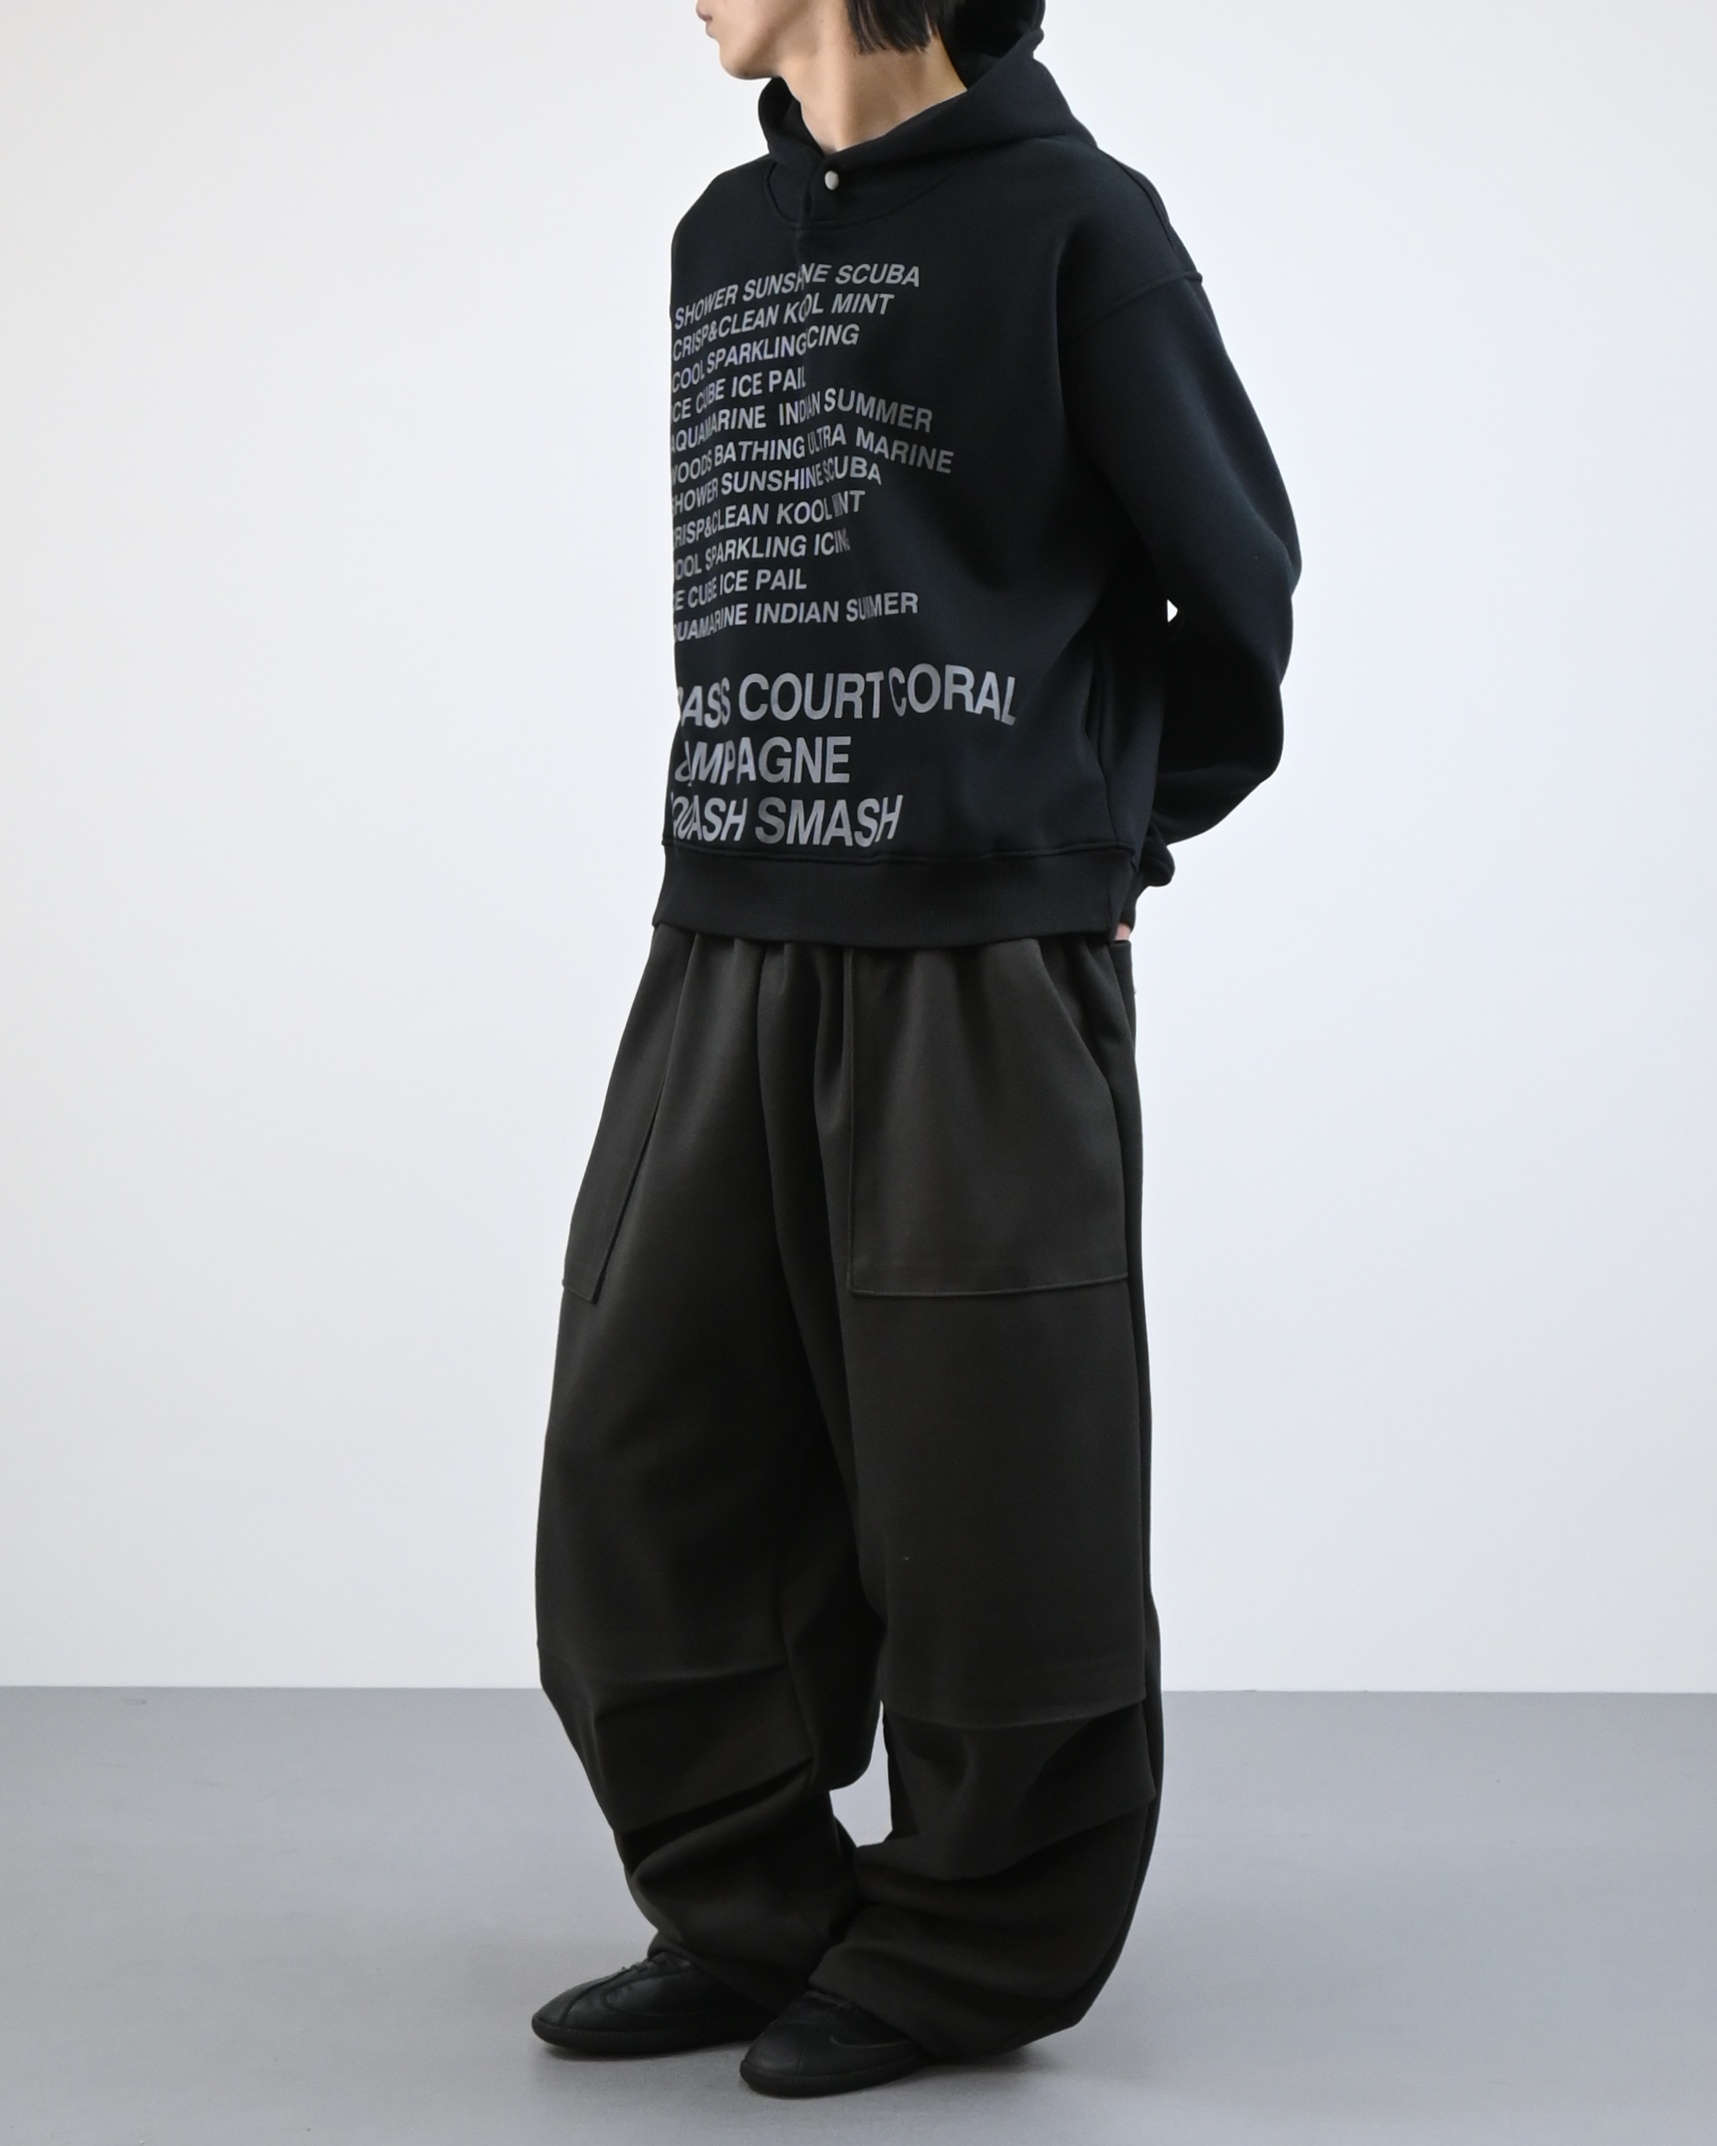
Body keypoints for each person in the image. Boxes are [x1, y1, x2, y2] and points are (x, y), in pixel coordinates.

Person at [530, 0, 1297, 2100]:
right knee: (650, 1449)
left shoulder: (1077, 225)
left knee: (995, 1478)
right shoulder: (721, 237)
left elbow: (1235, 597)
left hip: (976, 957)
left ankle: (966, 1947)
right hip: (727, 921)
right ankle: (745, 1908)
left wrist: (1078, 839)